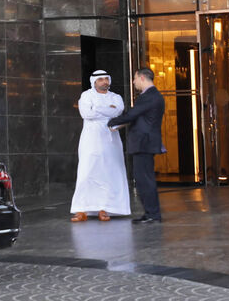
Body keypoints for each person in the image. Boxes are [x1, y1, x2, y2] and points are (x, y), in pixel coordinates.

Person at [69, 70, 130, 222]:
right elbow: (86, 114)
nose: (104, 82)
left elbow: (118, 111)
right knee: (87, 171)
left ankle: (106, 208)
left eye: (106, 79)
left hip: (111, 140)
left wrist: (96, 109)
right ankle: (81, 209)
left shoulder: (116, 97)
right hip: (91, 139)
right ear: (94, 82)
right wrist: (107, 110)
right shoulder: (86, 96)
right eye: (100, 79)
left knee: (110, 173)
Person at [108, 68, 166, 224]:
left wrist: (112, 122)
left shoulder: (149, 96)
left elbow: (132, 114)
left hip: (144, 143)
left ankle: (153, 214)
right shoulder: (154, 96)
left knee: (145, 180)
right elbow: (138, 118)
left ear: (141, 78)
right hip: (145, 143)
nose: (133, 82)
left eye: (134, 78)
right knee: (143, 179)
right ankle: (150, 213)